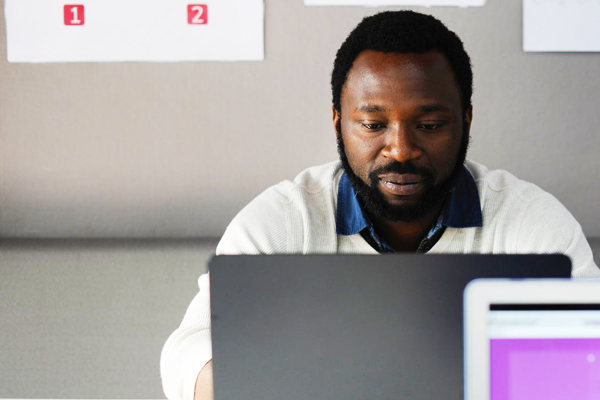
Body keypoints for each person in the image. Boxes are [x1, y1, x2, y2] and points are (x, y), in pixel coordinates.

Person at [160, 10, 600, 400]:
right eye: (373, 124)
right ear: (338, 121)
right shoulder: (284, 220)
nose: (400, 149)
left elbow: (589, 356)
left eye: (428, 124)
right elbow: (189, 348)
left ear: (466, 120)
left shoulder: (531, 222)